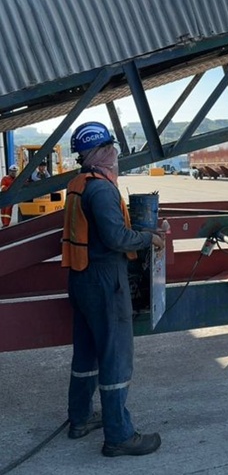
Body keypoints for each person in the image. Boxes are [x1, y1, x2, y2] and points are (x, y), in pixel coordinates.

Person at [61, 121, 164, 457]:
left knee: (87, 352)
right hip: (105, 279)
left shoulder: (79, 184)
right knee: (116, 356)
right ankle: (119, 434)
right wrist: (149, 237)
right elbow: (116, 238)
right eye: (113, 150)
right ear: (103, 152)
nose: (117, 156)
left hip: (81, 277)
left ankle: (80, 419)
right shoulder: (102, 190)